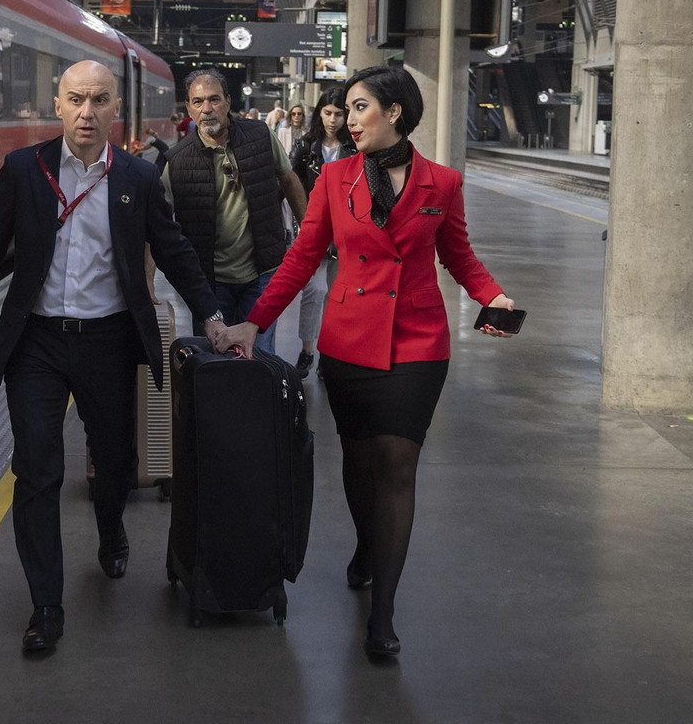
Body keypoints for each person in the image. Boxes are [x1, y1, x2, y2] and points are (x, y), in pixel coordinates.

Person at [215, 65, 516, 659]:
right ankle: (365, 546)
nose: (348, 121)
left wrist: (493, 296)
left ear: (394, 112)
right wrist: (255, 321)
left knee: (397, 462)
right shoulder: (334, 178)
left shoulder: (443, 183)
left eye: (359, 108)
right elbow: (302, 257)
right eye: (346, 110)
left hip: (418, 340)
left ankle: (384, 613)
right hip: (349, 341)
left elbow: (459, 256)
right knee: (358, 461)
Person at [0, 61, 227, 654]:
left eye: (99, 100)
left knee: (115, 457)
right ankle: (46, 604)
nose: (87, 112)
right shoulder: (24, 170)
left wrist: (215, 319)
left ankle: (110, 526)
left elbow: (173, 251)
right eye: (76, 99)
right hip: (37, 343)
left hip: (109, 339)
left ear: (115, 108)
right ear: (58, 104)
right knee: (37, 468)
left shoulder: (139, 178)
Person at [158, 69, 308, 356]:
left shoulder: (260, 136)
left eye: (214, 99)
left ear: (227, 101)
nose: (206, 109)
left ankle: (260, 402)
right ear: (188, 108)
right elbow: (159, 224)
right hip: (209, 284)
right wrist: (147, 282)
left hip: (262, 272)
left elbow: (289, 179)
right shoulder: (176, 161)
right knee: (214, 361)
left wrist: (308, 237)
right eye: (198, 102)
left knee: (259, 357)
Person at [286, 87, 356, 377]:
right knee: (314, 289)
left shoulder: (355, 147)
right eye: (327, 113)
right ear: (319, 113)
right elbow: (290, 182)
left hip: (347, 229)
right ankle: (307, 350)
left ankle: (328, 353)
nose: (332, 119)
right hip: (313, 226)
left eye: (339, 114)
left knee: (337, 295)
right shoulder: (305, 147)